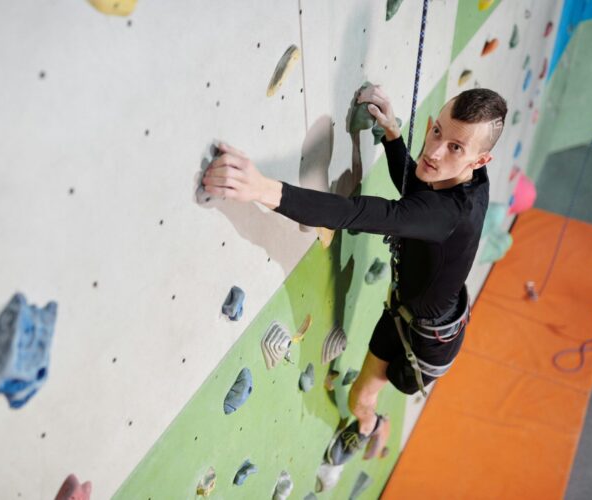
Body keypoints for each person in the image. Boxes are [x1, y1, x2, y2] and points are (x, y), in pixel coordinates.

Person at [202, 85, 507, 461]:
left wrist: (263, 188)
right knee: (361, 393)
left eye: (455, 148)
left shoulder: (447, 215)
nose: (434, 150)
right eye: (437, 130)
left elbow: (354, 212)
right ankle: (371, 423)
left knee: (360, 398)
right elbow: (418, 192)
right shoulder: (465, 179)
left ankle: (369, 426)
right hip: (411, 309)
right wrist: (393, 135)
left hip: (427, 343)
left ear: (480, 161)